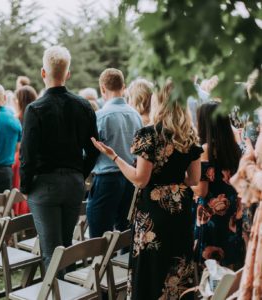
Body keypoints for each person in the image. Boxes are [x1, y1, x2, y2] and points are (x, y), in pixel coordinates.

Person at [91, 81, 202, 299]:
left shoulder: (148, 135)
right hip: (180, 211)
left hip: (154, 213)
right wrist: (174, 184)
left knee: (151, 270)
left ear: (159, 101)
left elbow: (141, 180)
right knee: (178, 267)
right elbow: (194, 179)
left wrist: (114, 157)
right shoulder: (189, 135)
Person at [20, 46, 99, 272]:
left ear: (43, 73)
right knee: (66, 248)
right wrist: (79, 173)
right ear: (68, 74)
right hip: (74, 184)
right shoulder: (84, 106)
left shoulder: (35, 109)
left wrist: (25, 186)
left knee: (51, 253)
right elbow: (94, 149)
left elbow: (27, 154)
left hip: (45, 185)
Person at [87, 68, 143, 238]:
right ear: (123, 87)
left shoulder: (100, 116)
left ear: (102, 89)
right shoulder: (136, 115)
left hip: (106, 181)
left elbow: (90, 151)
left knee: (98, 235)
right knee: (125, 234)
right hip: (130, 179)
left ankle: (101, 265)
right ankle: (124, 265)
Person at [193, 101, 245, 269]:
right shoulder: (235, 148)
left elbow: (201, 190)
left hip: (212, 220)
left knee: (212, 274)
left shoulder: (206, 150)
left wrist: (186, 181)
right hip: (232, 217)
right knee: (230, 269)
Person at [0, 83, 22, 193]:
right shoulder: (15, 120)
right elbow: (17, 148)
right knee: (3, 208)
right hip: (6, 172)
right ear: (5, 98)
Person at [12, 85, 38, 215]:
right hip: (35, 159)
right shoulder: (37, 116)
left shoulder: (16, 118)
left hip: (18, 160)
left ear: (19, 101)